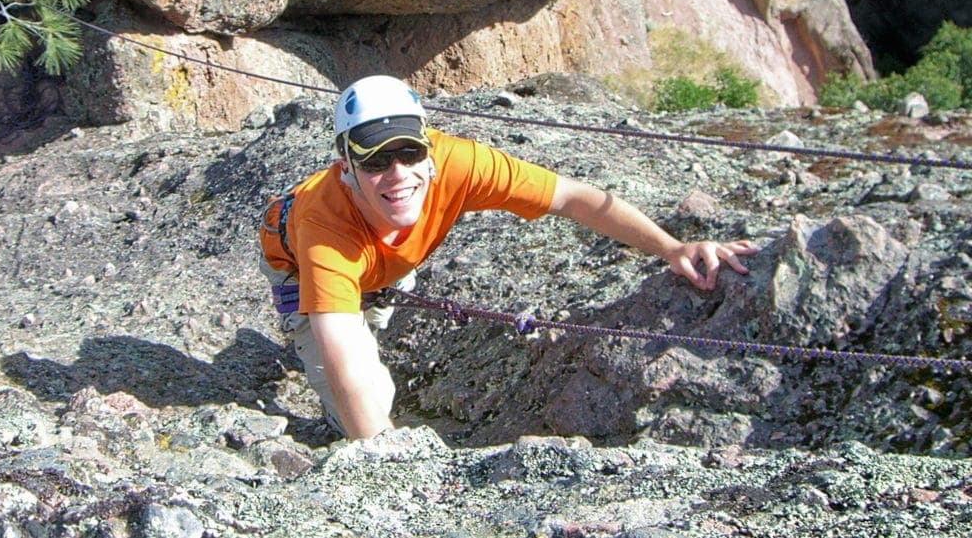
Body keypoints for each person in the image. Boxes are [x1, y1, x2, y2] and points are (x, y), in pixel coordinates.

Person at [259, 75, 757, 440]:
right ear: (344, 164)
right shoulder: (324, 231)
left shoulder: (459, 163)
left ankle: (374, 295)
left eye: (409, 153)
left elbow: (573, 198)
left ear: (429, 151)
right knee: (365, 387)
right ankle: (332, 329)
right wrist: (383, 458)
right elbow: (343, 354)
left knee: (377, 305)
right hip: (294, 264)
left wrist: (673, 247)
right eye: (373, 159)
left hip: (380, 263)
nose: (397, 173)